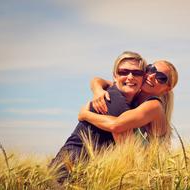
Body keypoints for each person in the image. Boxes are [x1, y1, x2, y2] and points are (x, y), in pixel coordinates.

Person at [49, 51, 147, 182]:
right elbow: (128, 154)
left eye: (137, 73)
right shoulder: (113, 100)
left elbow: (98, 80)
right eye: (123, 72)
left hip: (83, 172)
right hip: (69, 172)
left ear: (143, 77)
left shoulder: (132, 102)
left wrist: (95, 90)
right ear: (115, 76)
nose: (130, 77)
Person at [78, 60, 178, 145]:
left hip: (144, 166)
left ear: (167, 89)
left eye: (160, 78)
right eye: (151, 69)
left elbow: (116, 126)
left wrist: (85, 115)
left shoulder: (154, 106)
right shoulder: (133, 94)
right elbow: (98, 80)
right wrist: (98, 91)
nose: (151, 76)